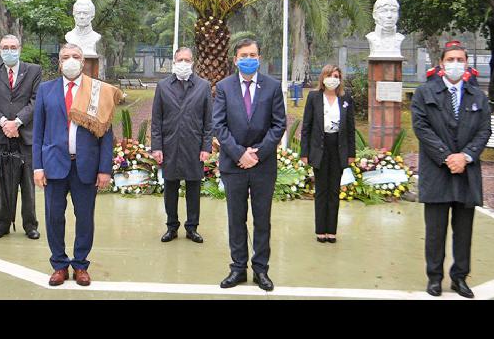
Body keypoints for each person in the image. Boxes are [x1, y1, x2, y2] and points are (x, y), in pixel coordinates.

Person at [33, 44, 122, 287]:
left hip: (86, 166)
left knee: (84, 218)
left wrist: (105, 169)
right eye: (65, 57)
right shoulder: (45, 90)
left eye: (75, 57)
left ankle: (81, 264)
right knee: (53, 218)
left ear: (83, 63)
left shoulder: (97, 91)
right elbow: (38, 132)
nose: (70, 60)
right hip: (53, 165)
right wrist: (37, 167)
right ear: (59, 63)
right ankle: (59, 265)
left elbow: (105, 133)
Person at [411, 41, 492, 298]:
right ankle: (434, 278)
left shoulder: (477, 96)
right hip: (437, 171)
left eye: (460, 60)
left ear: (466, 65)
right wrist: (448, 157)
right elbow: (421, 128)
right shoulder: (425, 93)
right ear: (441, 64)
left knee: (464, 230)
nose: (455, 64)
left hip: (467, 173)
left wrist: (466, 156)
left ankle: (460, 278)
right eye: (451, 59)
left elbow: (484, 130)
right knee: (435, 231)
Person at [212, 38, 287, 292]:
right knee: (236, 218)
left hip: (263, 165)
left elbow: (279, 125)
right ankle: (238, 268)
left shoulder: (273, 87)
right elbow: (219, 126)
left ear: (259, 58)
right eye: (244, 55)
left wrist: (258, 153)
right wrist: (238, 154)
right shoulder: (223, 87)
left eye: (253, 54)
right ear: (235, 59)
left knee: (262, 219)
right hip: (234, 165)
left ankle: (261, 270)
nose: (248, 59)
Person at [0, 35, 42, 239]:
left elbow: (35, 101)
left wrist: (17, 122)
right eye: (5, 47)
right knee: (3, 182)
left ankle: (30, 225)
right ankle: (2, 224)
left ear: (20, 48)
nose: (9, 51)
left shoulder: (34, 71)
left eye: (13, 47)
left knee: (27, 182)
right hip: (2, 136)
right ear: (0, 50)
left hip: (25, 135)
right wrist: (4, 123)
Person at [151, 47, 212, 244]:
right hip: (170, 146)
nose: (183, 63)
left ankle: (192, 227)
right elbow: (156, 120)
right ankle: (171, 226)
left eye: (187, 59)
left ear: (193, 62)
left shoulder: (203, 86)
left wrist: (206, 147)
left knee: (193, 188)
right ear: (174, 62)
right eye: (180, 59)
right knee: (170, 187)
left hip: (194, 146)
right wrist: (157, 147)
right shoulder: (163, 86)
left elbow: (208, 121)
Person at [300, 65, 356, 244]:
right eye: (330, 75)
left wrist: (351, 153)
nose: (333, 78)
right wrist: (305, 152)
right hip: (320, 149)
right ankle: (320, 230)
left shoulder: (345, 98)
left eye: (337, 76)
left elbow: (351, 128)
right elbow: (306, 126)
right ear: (323, 77)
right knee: (321, 191)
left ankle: (331, 231)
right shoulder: (314, 97)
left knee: (334, 190)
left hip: (338, 149)